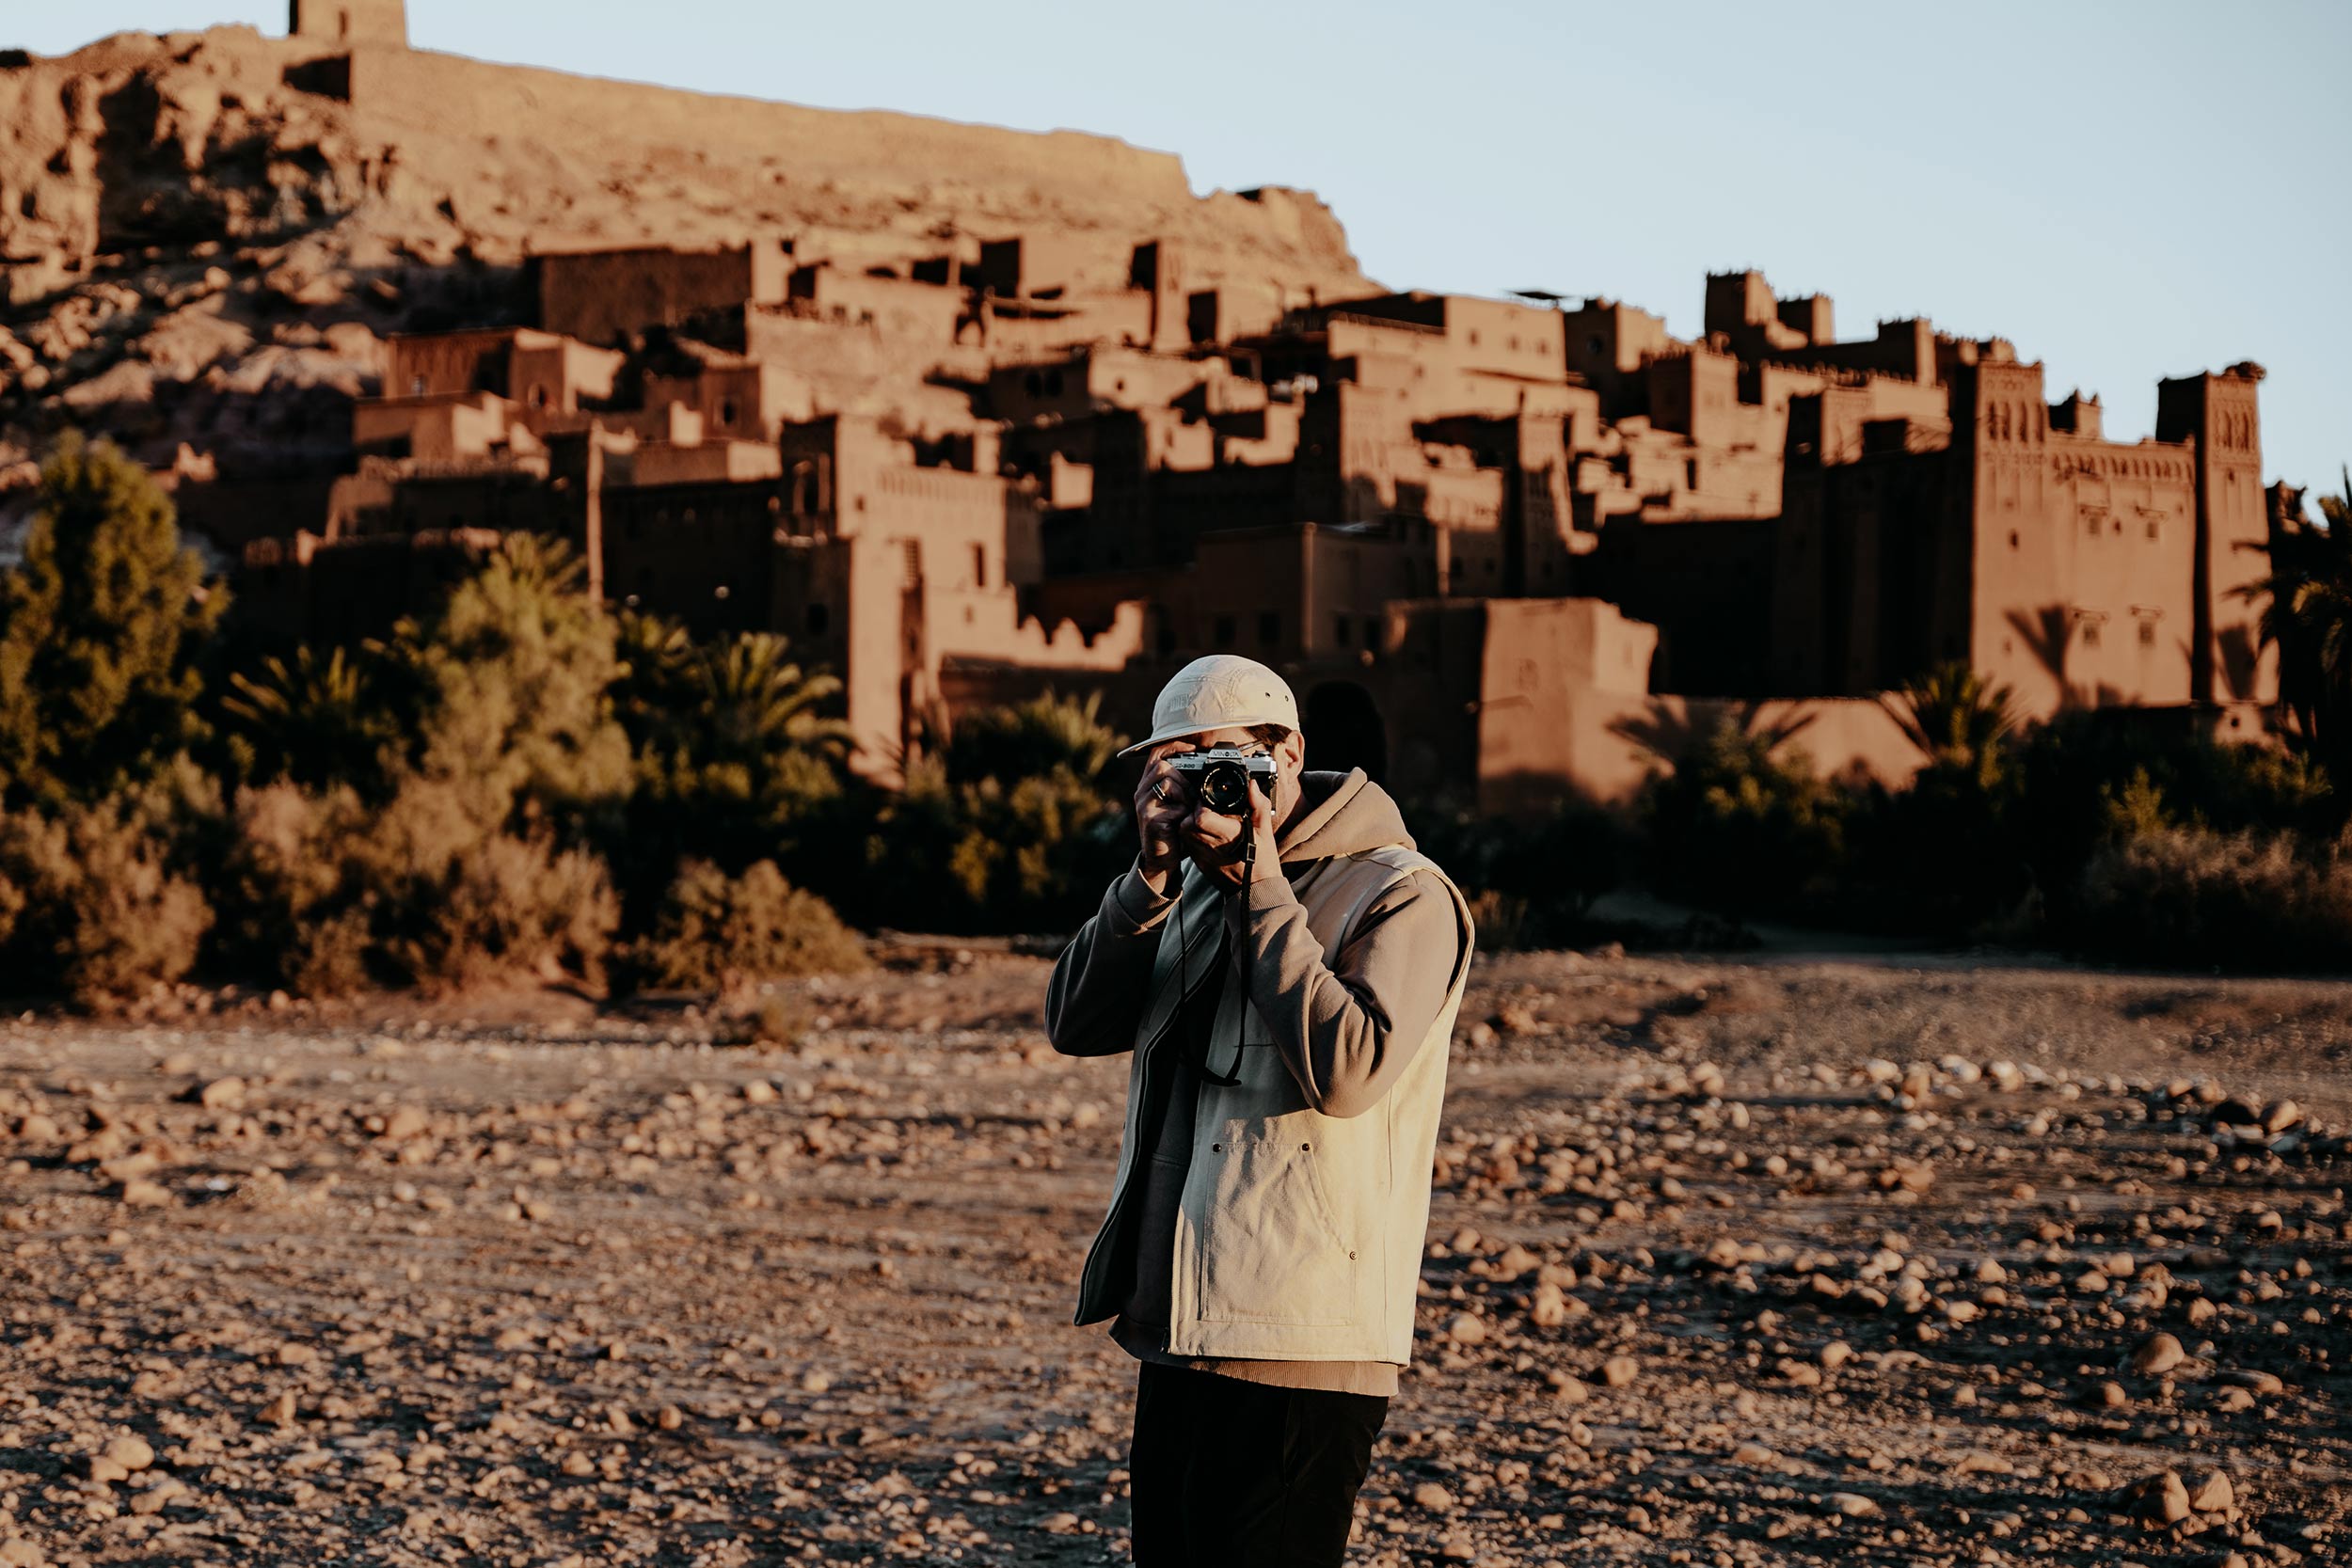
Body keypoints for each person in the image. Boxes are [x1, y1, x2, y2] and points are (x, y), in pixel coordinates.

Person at [1044, 655, 1474, 1566]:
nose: (1212, 786)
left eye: (1226, 761)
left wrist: (1261, 884)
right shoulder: (1187, 885)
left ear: (1289, 754)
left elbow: (1350, 1067)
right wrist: (1148, 876)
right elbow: (1074, 1022)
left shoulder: (1401, 890)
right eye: (1181, 766)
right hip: (1178, 1329)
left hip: (1301, 1341)